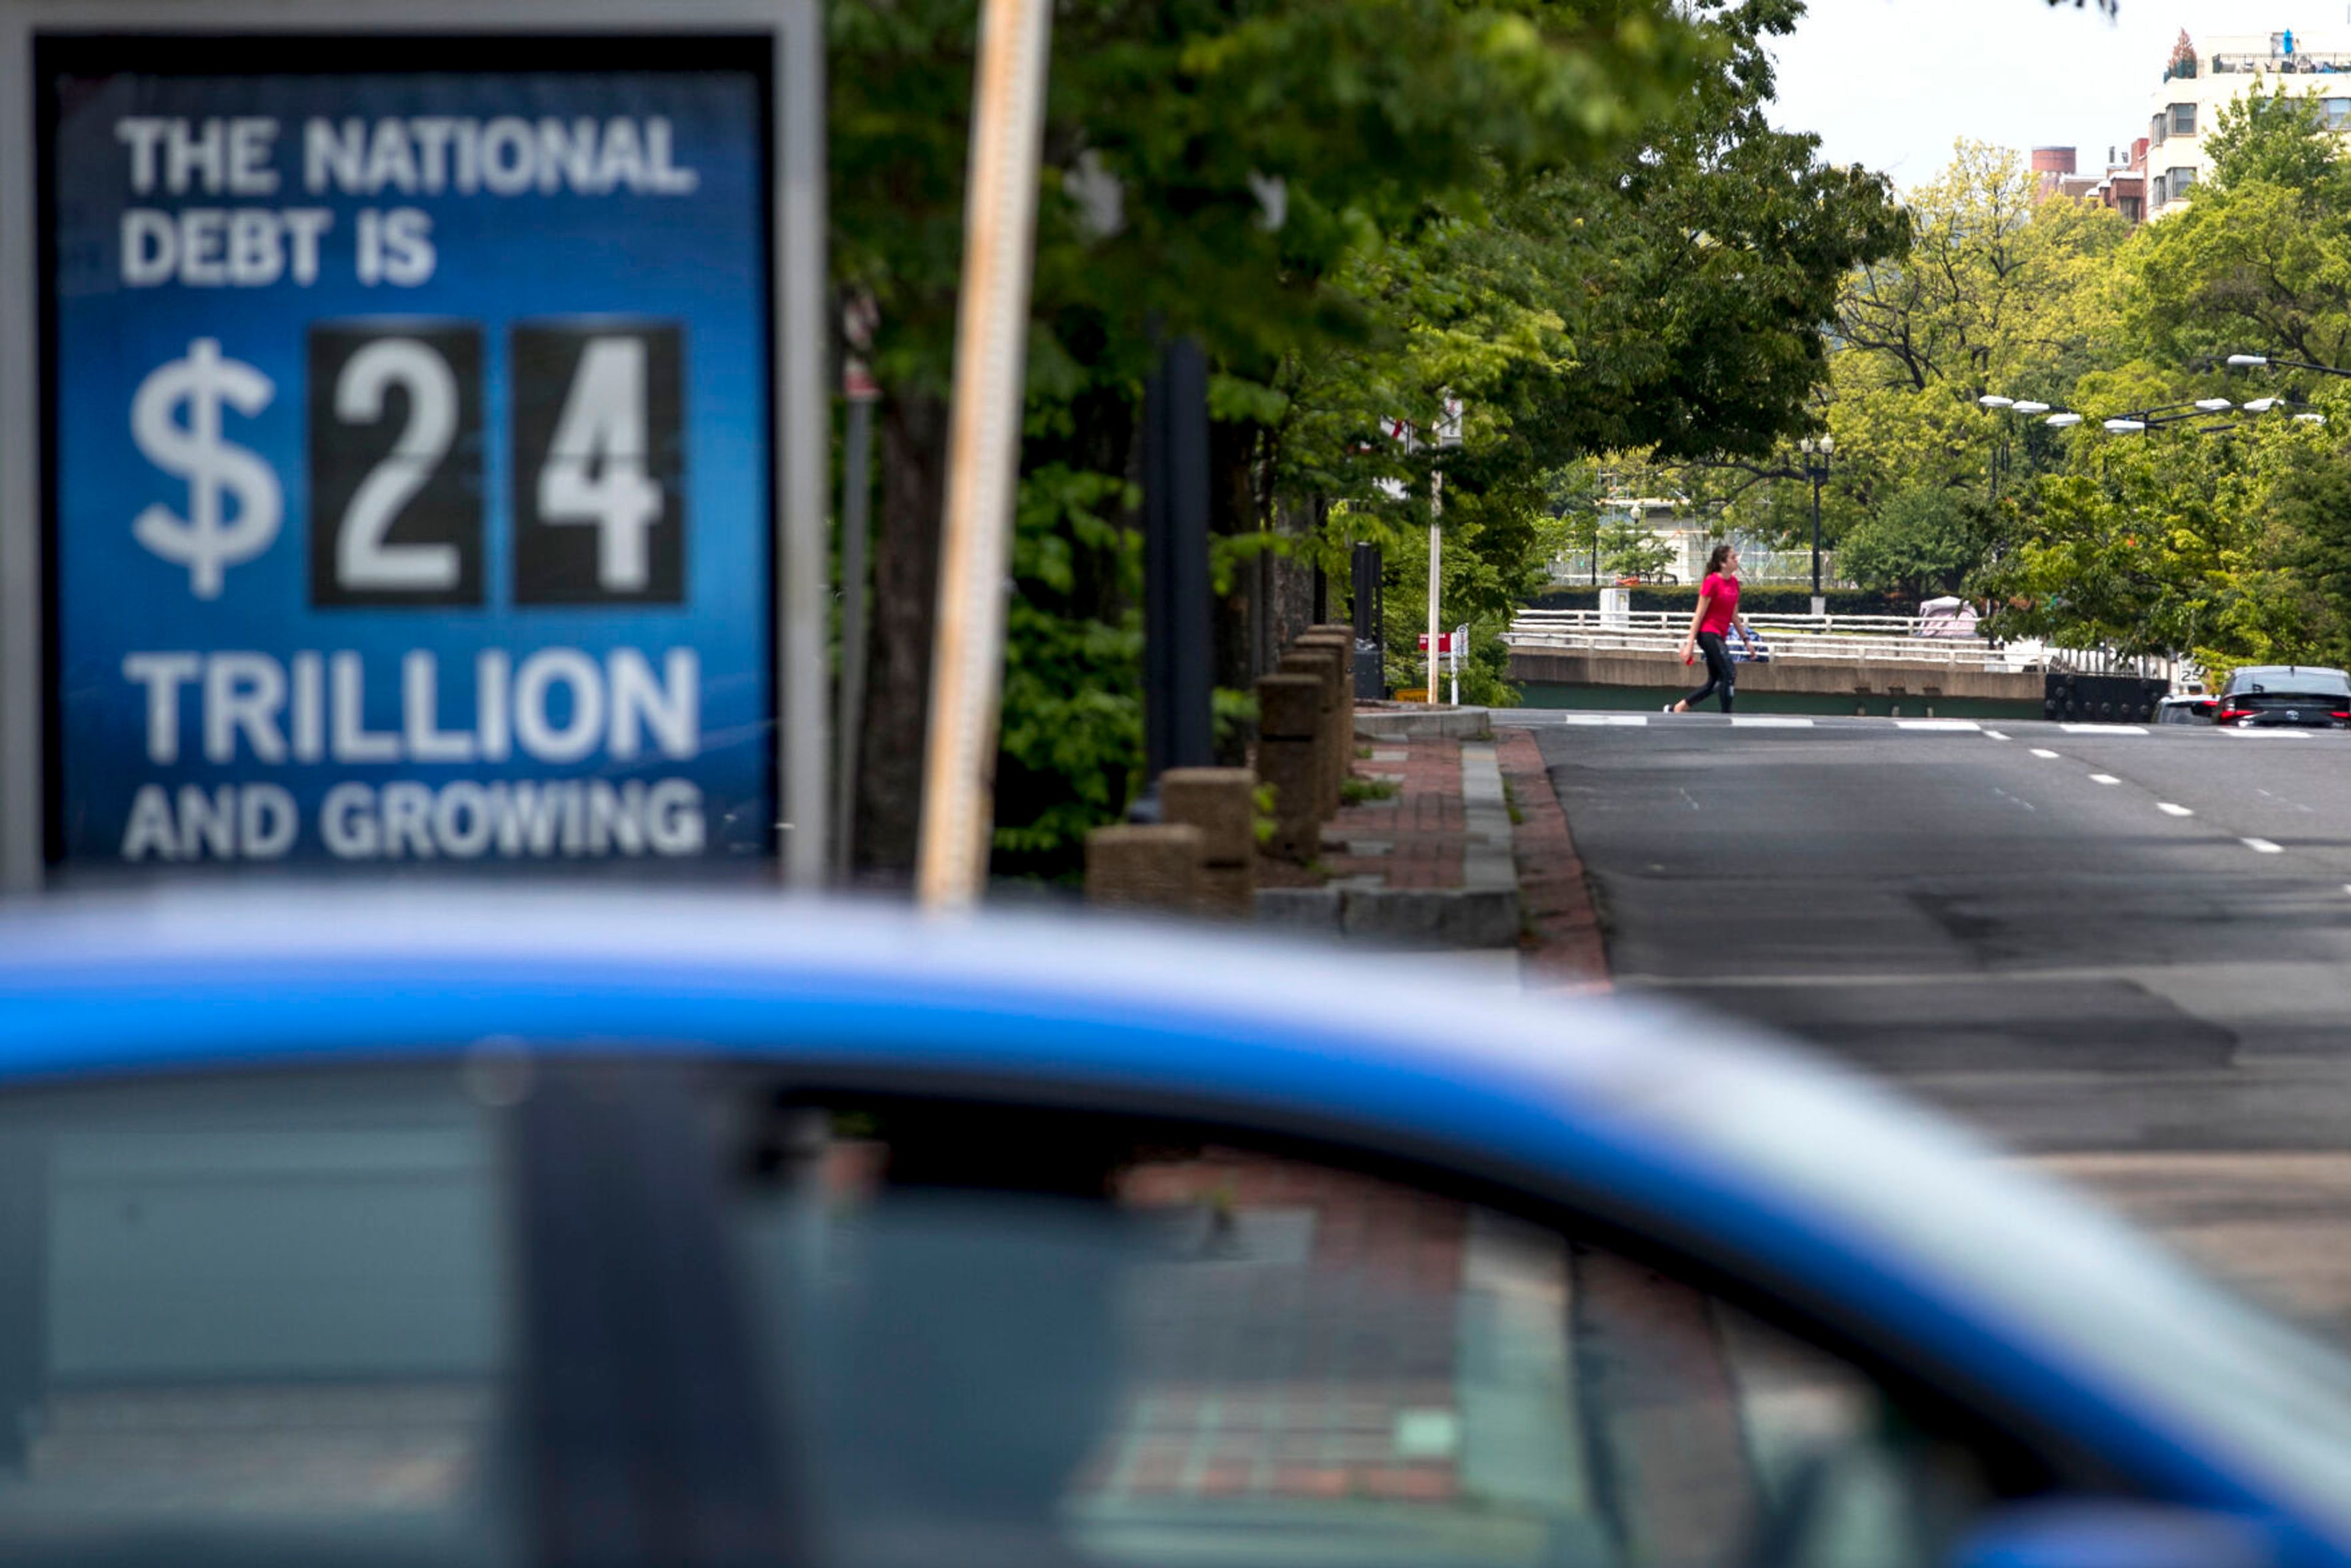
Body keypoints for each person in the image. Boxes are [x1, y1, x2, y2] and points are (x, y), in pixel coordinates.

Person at [1666, 544, 1756, 715]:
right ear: (1723, 563)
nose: (1737, 560)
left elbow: (1734, 616)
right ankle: (1727, 715)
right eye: (1733, 558)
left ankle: (1679, 707)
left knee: (1715, 682)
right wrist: (1690, 644)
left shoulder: (1735, 584)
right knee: (1729, 672)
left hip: (1719, 636)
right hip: (1708, 633)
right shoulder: (1712, 582)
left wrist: (1746, 641)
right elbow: (1699, 615)